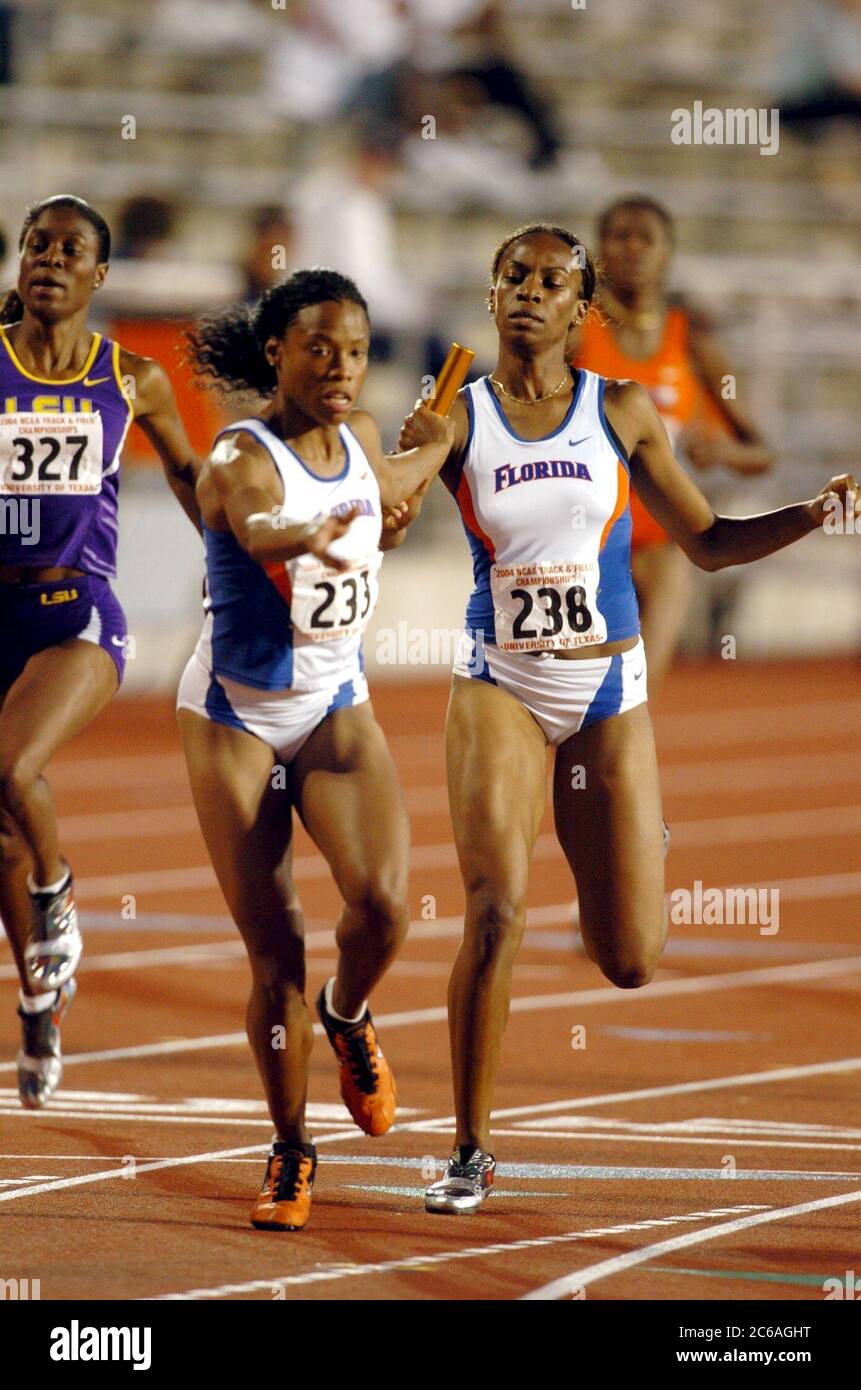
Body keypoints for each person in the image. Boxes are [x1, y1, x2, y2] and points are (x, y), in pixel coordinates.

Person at [392, 222, 857, 1213]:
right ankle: (470, 1149)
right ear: (491, 297)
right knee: (497, 910)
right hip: (501, 683)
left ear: (581, 309)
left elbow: (710, 543)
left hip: (609, 691)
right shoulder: (455, 414)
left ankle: (610, 835)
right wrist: (395, 477)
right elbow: (380, 518)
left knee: (631, 958)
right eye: (512, 275)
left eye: (552, 280)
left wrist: (813, 513)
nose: (528, 289)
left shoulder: (623, 409)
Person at [180, 269, 453, 1231]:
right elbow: (261, 525)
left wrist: (431, 458)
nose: (339, 368)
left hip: (333, 700)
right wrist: (320, 527)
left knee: (384, 905)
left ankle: (347, 1016)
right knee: (274, 952)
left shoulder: (365, 438)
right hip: (235, 715)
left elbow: (389, 488)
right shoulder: (237, 456)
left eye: (355, 350)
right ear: (275, 353)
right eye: (318, 348)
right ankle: (292, 1149)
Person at [0, 194, 201, 1108]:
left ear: (99, 275)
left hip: (76, 614)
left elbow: (196, 477)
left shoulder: (132, 378)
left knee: (9, 767)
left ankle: (59, 893)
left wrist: (233, 567)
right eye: (35, 244)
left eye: (69, 249)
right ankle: (40, 1006)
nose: (48, 259)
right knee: (2, 826)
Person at [570, 196, 773, 692]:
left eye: (647, 238)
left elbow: (760, 454)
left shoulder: (691, 341)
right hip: (583, 538)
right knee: (581, 703)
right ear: (599, 251)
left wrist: (721, 451)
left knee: (635, 698)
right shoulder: (574, 331)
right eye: (620, 236)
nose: (633, 248)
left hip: (665, 541)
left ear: (667, 252)